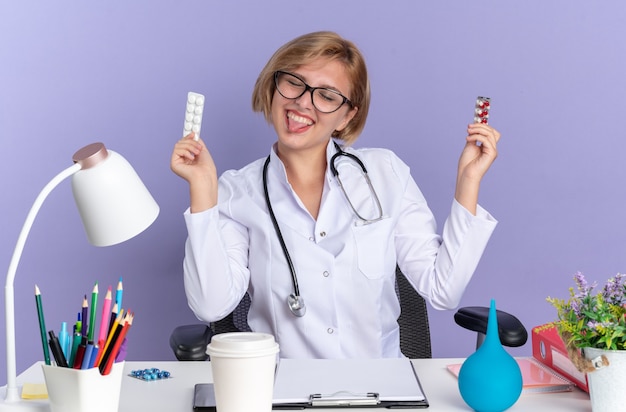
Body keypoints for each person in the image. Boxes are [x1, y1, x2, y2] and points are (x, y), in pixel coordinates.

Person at [170, 31, 500, 359]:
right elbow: (211, 306)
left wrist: (468, 181)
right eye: (293, 82)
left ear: (347, 115)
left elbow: (442, 290)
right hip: (284, 393)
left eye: (326, 96)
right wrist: (202, 191)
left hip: (380, 393)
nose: (302, 101)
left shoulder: (385, 173)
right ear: (273, 88)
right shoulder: (236, 191)